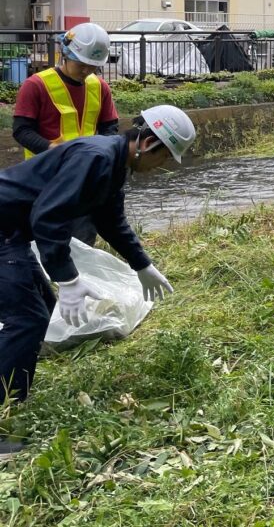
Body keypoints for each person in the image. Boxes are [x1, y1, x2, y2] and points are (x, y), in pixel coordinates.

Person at [0, 105, 196, 437]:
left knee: (42, 308)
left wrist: (142, 264)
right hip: (5, 231)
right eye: (164, 157)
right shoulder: (97, 157)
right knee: (26, 319)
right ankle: (3, 419)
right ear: (149, 144)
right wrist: (69, 279)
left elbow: (111, 222)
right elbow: (48, 219)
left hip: (12, 232)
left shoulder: (113, 163)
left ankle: (13, 389)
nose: (162, 166)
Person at [12, 24, 120, 247]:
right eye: (81, 65)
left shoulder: (99, 87)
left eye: (92, 67)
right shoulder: (36, 85)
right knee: (42, 241)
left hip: (83, 177)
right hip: (43, 177)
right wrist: (54, 150)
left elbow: (110, 128)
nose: (86, 72)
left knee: (82, 244)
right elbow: (21, 130)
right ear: (66, 53)